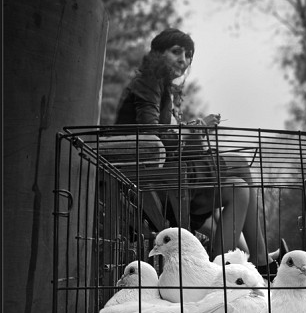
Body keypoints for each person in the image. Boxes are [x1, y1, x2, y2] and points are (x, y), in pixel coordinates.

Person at [115, 28, 285, 276]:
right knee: (239, 162)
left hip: (168, 177)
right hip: (152, 182)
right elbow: (151, 134)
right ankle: (259, 260)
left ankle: (218, 271)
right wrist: (196, 126)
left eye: (188, 56)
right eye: (176, 52)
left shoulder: (164, 89)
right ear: (156, 54)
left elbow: (170, 141)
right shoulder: (148, 82)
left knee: (239, 188)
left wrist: (195, 134)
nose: (183, 60)